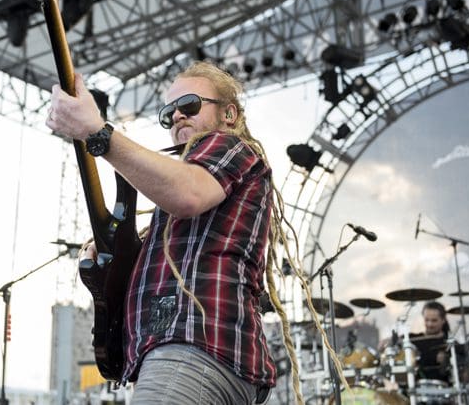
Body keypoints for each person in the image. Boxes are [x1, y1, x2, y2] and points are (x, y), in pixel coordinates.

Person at [47, 61, 306, 404]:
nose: (178, 116)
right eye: (169, 113)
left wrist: (98, 132)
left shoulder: (228, 146)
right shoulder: (183, 185)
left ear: (229, 114)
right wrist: (121, 255)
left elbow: (188, 194)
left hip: (193, 351)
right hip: (192, 355)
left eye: (190, 105)